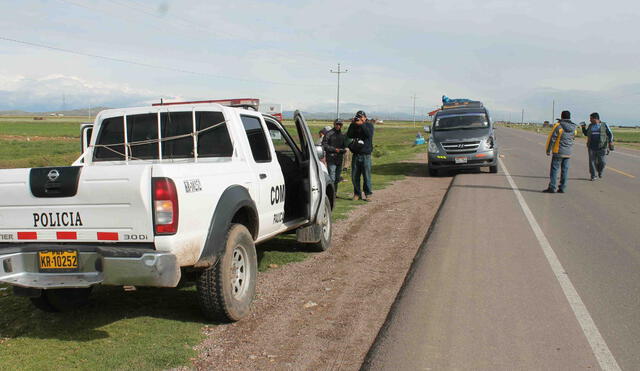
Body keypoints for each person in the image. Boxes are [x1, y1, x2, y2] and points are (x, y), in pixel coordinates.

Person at [543, 110, 577, 193]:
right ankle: (562, 188)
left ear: (561, 116)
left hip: (558, 151)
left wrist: (548, 150)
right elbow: (573, 138)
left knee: (554, 170)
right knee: (565, 170)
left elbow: (552, 138)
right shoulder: (574, 127)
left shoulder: (558, 126)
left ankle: (552, 187)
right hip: (568, 152)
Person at [347, 110, 374, 201]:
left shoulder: (369, 125)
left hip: (366, 155)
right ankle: (357, 194)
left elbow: (368, 134)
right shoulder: (354, 125)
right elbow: (349, 135)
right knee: (355, 176)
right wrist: (353, 124)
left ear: (365, 117)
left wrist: (362, 124)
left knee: (366, 175)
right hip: (356, 154)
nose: (360, 118)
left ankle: (368, 194)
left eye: (361, 116)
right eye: (358, 117)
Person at [580, 112, 614, 180]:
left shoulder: (604, 125)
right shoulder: (590, 125)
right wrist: (583, 127)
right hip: (591, 146)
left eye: (591, 118)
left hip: (602, 147)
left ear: (595, 118)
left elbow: (610, 134)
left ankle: (600, 171)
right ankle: (593, 175)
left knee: (602, 162)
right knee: (592, 162)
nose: (590, 120)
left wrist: (610, 142)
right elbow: (586, 134)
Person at [322, 119, 348, 193]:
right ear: (334, 124)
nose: (338, 126)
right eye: (337, 124)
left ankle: (334, 194)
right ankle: (330, 194)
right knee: (332, 178)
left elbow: (344, 145)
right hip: (331, 158)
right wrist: (334, 149)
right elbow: (324, 145)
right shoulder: (329, 134)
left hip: (339, 158)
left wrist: (344, 149)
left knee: (337, 178)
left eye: (340, 124)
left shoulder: (342, 135)